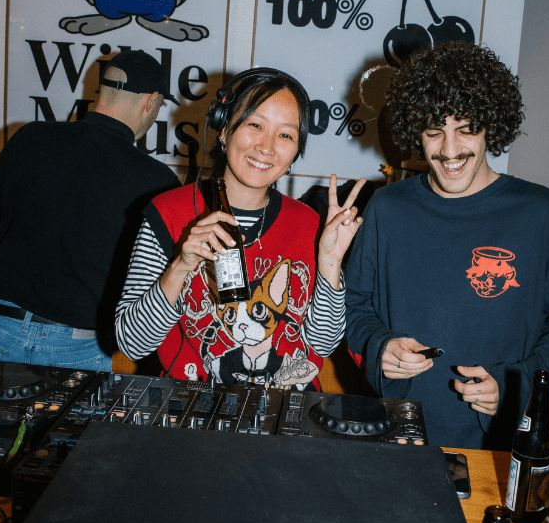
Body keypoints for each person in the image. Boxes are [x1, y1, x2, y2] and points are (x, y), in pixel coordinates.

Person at [344, 41, 549, 449]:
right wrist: (380, 348)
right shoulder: (388, 208)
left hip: (498, 446)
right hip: (396, 436)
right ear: (416, 131)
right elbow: (353, 306)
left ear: (491, 124)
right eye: (434, 131)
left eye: (466, 129)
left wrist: (518, 386)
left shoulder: (545, 214)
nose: (449, 150)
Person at [115, 68, 364, 387]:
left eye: (286, 134)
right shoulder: (168, 213)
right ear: (223, 128)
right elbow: (133, 344)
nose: (267, 147)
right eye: (255, 125)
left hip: (285, 415)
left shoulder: (310, 223)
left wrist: (330, 264)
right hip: (194, 411)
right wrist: (182, 265)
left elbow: (322, 344)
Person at [0, 50, 178, 370]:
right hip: (77, 347)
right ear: (150, 101)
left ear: (102, 90)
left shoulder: (31, 137)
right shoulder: (159, 182)